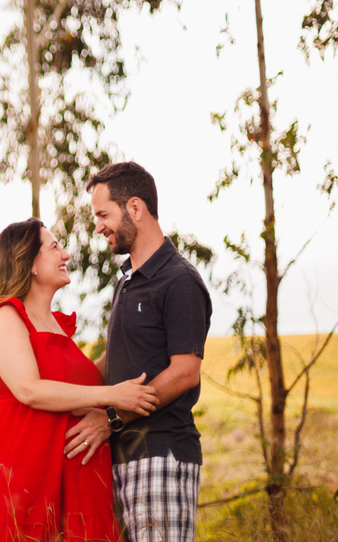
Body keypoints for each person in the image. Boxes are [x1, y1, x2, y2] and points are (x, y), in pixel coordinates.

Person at [0, 218, 160, 542]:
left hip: (72, 476)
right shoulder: (7, 315)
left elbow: (87, 379)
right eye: (55, 246)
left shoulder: (58, 326)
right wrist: (112, 395)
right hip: (24, 468)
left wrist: (135, 332)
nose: (66, 254)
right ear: (28, 262)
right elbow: (29, 390)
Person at [65, 161, 213, 542]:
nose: (98, 226)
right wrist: (54, 381)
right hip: (119, 457)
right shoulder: (127, 280)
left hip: (161, 453)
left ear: (135, 208)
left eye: (103, 214)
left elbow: (184, 372)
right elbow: (113, 360)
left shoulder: (179, 281)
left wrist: (109, 418)